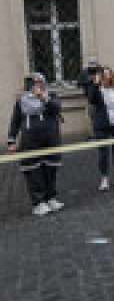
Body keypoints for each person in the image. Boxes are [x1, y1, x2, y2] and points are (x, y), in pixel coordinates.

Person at [7, 73, 64, 216]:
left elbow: (56, 108)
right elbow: (15, 120)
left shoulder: (51, 95)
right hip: (30, 141)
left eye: (39, 82)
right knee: (34, 172)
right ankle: (38, 203)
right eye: (33, 83)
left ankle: (50, 198)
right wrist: (11, 140)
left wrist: (43, 98)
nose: (36, 85)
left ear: (43, 83)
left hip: (50, 139)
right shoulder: (22, 100)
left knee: (50, 169)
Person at [87, 67, 114, 191]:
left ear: (111, 76)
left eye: (107, 74)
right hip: (101, 126)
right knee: (103, 153)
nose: (105, 77)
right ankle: (104, 179)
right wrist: (95, 84)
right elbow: (91, 99)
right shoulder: (97, 90)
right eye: (103, 75)